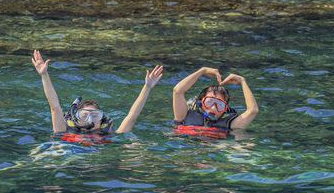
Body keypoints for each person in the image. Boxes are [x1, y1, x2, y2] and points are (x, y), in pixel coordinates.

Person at [31, 50, 163, 139]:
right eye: (84, 114)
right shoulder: (63, 130)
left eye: (95, 115)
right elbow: (55, 107)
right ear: (75, 117)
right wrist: (44, 75)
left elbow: (132, 116)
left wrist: (147, 87)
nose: (90, 119)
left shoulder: (108, 135)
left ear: (102, 120)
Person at [172, 67, 258, 137]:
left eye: (220, 105)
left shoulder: (229, 125)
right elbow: (178, 91)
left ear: (225, 109)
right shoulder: (184, 115)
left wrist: (242, 81)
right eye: (209, 102)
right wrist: (202, 71)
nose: (213, 108)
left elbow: (253, 110)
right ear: (201, 101)